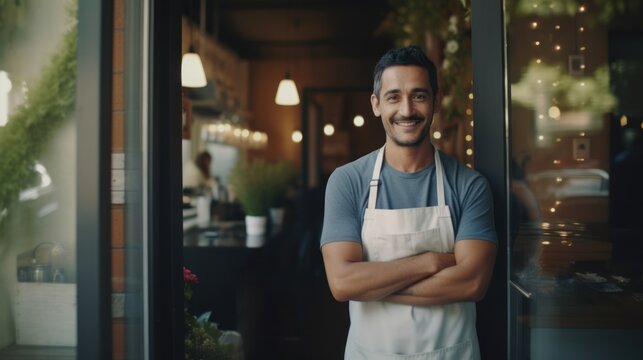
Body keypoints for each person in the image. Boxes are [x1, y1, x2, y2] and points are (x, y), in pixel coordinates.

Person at [320, 45, 497, 359]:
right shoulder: (347, 182)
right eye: (393, 97)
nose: (406, 110)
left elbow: (472, 283)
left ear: (435, 102)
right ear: (376, 104)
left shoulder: (469, 186)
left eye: (419, 95)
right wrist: (430, 262)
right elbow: (343, 283)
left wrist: (375, 286)